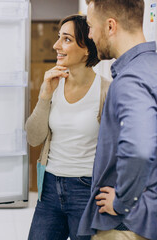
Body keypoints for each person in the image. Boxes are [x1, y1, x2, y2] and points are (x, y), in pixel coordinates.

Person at [25, 14, 110, 240]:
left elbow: (120, 150)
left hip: (87, 190)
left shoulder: (107, 91)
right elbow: (33, 137)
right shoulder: (53, 85)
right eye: (58, 38)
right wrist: (44, 96)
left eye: (66, 39)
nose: (56, 45)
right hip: (50, 188)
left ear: (86, 48)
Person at [78, 1, 157, 240]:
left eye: (91, 27)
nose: (89, 35)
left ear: (111, 26)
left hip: (126, 226)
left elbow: (139, 149)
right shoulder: (151, 67)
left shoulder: (130, 79)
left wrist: (122, 200)